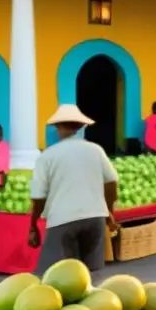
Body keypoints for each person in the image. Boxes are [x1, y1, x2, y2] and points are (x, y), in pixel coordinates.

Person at [29, 105, 118, 272]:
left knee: (56, 273)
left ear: (58, 127)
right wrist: (108, 211)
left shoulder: (48, 155)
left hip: (62, 220)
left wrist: (33, 224)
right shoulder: (96, 150)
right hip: (95, 217)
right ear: (80, 127)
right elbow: (112, 183)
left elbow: (39, 197)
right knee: (89, 274)